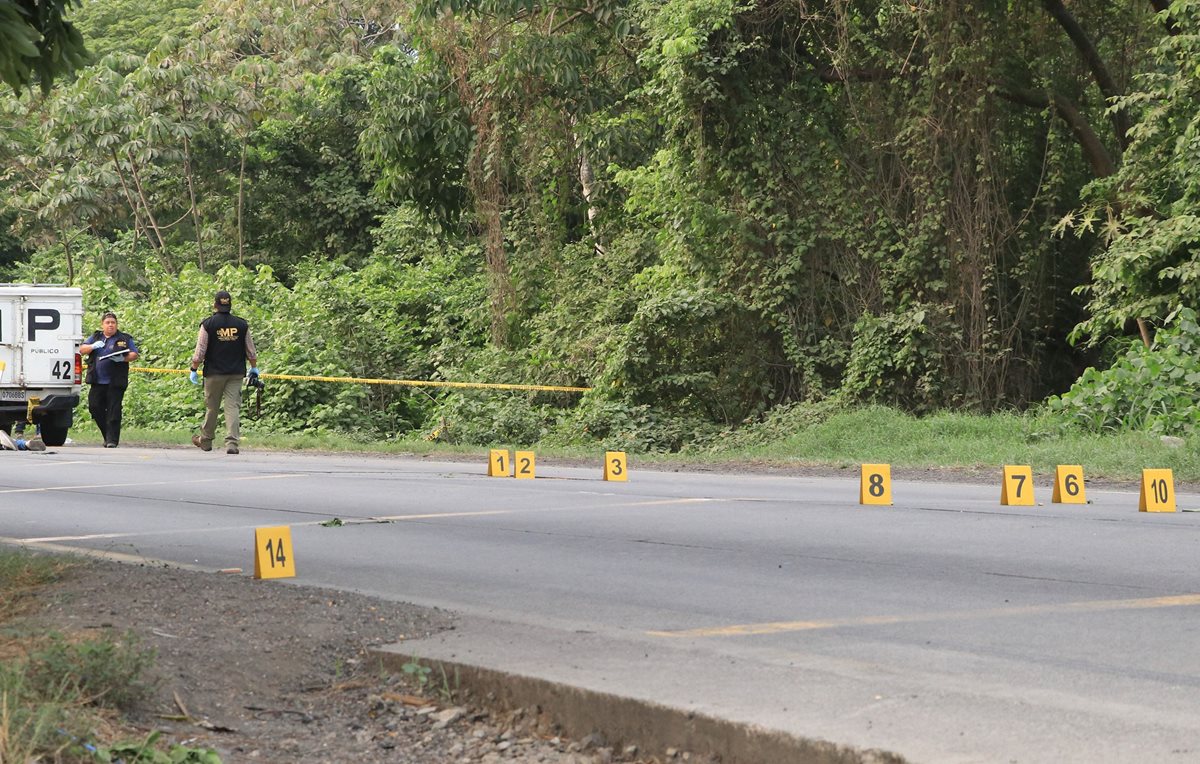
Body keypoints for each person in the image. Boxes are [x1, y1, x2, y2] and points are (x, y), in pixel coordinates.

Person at [190, 290, 258, 455]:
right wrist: (254, 367)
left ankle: (205, 441)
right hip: (235, 373)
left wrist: (194, 368)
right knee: (232, 407)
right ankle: (232, 444)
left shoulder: (208, 324)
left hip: (214, 373)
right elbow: (251, 350)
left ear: (215, 305)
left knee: (212, 407)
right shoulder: (241, 325)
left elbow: (200, 351)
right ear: (230, 304)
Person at [83, 312, 140, 448]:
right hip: (97, 381)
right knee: (94, 407)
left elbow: (134, 354)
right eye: (107, 323)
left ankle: (112, 440)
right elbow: (82, 349)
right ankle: (107, 434)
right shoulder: (96, 337)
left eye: (113, 323)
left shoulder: (124, 338)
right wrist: (92, 347)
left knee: (114, 412)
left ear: (116, 324)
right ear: (102, 325)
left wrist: (123, 358)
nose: (110, 325)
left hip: (115, 382)